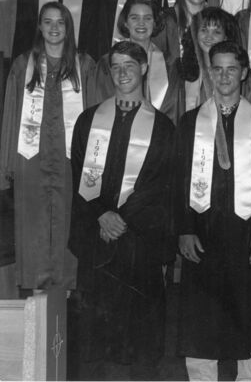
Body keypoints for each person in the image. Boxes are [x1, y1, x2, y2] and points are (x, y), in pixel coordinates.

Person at [69, 41, 175, 380]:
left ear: (143, 68)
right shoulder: (89, 120)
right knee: (96, 333)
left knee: (139, 334)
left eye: (130, 65)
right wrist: (101, 214)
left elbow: (159, 183)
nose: (123, 72)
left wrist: (122, 218)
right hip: (97, 233)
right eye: (116, 66)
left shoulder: (162, 127)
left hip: (138, 238)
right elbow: (79, 174)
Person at [175, 41, 251, 381]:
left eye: (231, 68)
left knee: (249, 314)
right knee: (200, 315)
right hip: (202, 232)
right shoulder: (190, 122)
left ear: (244, 72)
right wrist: (185, 228)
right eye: (217, 69)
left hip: (247, 235)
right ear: (209, 72)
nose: (224, 76)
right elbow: (179, 180)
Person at [0, 2, 97, 292]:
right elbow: (11, 114)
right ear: (39, 27)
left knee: (69, 220)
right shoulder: (22, 65)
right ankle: (36, 288)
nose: (54, 28)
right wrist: (8, 163)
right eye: (48, 21)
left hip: (71, 161)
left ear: (69, 27)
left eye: (60, 22)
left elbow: (95, 116)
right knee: (34, 224)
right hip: (30, 159)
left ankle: (68, 293)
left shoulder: (85, 65)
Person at [94, 0, 180, 123]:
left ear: (155, 23)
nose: (141, 23)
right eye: (134, 18)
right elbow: (103, 105)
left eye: (147, 18)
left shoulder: (170, 65)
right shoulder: (107, 63)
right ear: (125, 23)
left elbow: (175, 110)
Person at [177, 7, 248, 113]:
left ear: (226, 37)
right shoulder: (182, 71)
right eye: (204, 30)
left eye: (216, 32)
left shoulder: (240, 74)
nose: (209, 37)